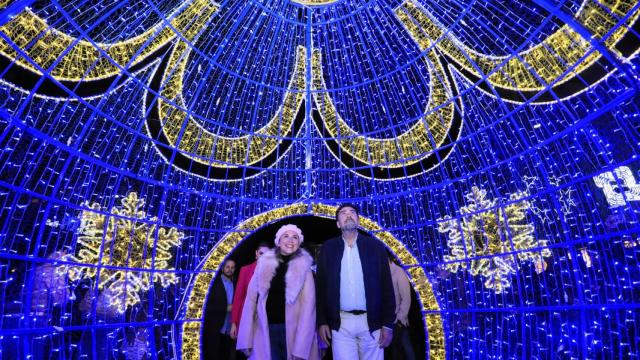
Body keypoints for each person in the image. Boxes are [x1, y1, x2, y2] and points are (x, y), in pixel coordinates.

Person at [316, 204, 395, 359]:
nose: (348, 215)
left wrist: (387, 324)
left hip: (372, 323)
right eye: (343, 213)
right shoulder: (328, 248)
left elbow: (386, 286)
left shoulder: (375, 246)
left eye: (352, 212)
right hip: (341, 324)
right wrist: (322, 321)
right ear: (338, 223)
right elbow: (321, 288)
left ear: (358, 221)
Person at [236, 224, 319, 360]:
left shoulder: (305, 269)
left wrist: (301, 346)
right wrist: (246, 338)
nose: (290, 240)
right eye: (286, 236)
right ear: (278, 241)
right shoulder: (263, 264)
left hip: (293, 331)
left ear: (299, 243)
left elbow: (309, 308)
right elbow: (251, 301)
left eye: (295, 237)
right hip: (265, 329)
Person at [229, 242, 271, 341]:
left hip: (266, 318)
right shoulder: (245, 270)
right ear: (256, 253)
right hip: (247, 316)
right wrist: (234, 322)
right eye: (261, 253)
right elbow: (238, 297)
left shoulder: (273, 271)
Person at [203, 259, 236, 360]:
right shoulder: (213, 284)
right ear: (222, 268)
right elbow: (206, 306)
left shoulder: (235, 283)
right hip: (215, 327)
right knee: (214, 356)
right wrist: (225, 308)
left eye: (232, 267)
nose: (230, 270)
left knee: (225, 355)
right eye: (227, 267)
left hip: (228, 328)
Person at [388, 254, 416, 360]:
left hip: (398, 320)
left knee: (402, 348)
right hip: (387, 319)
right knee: (398, 349)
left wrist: (400, 318)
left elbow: (406, 298)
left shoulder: (398, 272)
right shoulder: (380, 272)